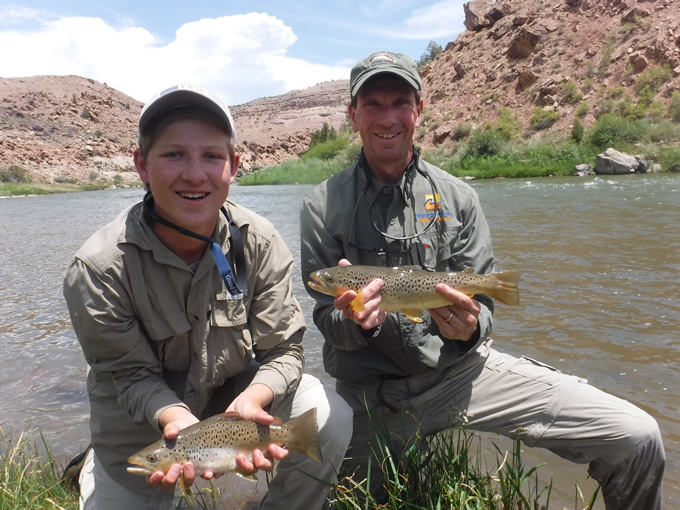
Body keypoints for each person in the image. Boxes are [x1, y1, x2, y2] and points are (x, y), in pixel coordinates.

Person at [299, 51, 666, 509]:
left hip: (464, 374)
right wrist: (356, 322)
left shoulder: (459, 196)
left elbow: (483, 310)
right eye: (372, 104)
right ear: (353, 115)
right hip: (373, 398)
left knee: (636, 436)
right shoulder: (321, 205)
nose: (387, 117)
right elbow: (323, 319)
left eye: (400, 102)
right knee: (319, 497)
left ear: (419, 109)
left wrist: (472, 328)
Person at [64, 83, 353, 510]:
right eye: (174, 154)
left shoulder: (260, 242)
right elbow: (129, 376)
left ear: (234, 166)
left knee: (329, 413)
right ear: (142, 165)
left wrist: (253, 400)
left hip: (233, 421)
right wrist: (175, 420)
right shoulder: (98, 268)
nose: (195, 174)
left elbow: (286, 350)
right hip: (142, 438)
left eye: (212, 156)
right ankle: (93, 469)